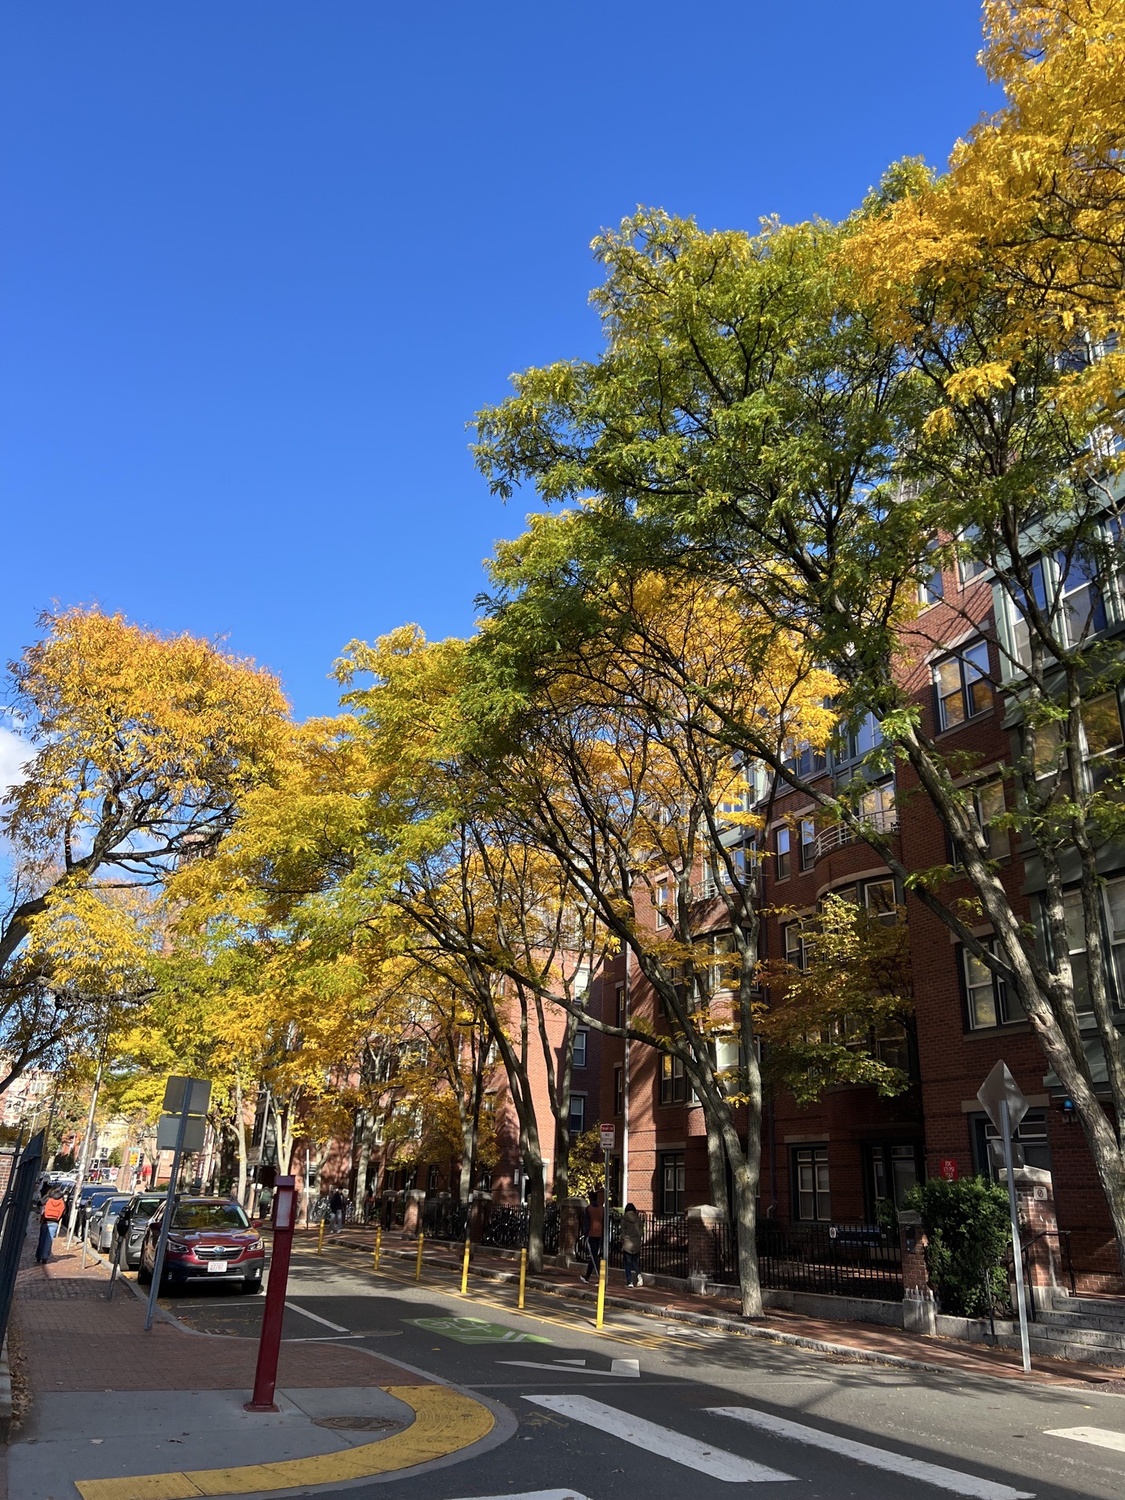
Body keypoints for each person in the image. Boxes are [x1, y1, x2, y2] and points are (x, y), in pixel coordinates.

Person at [36, 1186, 67, 1263]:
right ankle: (45, 1257)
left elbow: (39, 1203)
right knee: (49, 1240)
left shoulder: (48, 1198)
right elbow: (65, 1212)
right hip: (55, 1222)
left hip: (45, 1221)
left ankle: (39, 1256)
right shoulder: (62, 1200)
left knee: (42, 1239)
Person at [580, 1188, 605, 1283]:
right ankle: (587, 1276)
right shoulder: (602, 1209)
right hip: (600, 1235)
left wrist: (585, 1234)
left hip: (591, 1234)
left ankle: (599, 1275)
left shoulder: (589, 1209)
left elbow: (586, 1223)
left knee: (594, 1256)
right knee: (594, 1255)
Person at [620, 1202, 644, 1289]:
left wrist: (622, 1241)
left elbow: (623, 1232)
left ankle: (629, 1281)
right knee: (634, 1261)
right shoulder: (638, 1219)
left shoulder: (624, 1219)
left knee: (627, 1263)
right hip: (636, 1243)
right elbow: (641, 1232)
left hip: (627, 1243)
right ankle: (639, 1275)